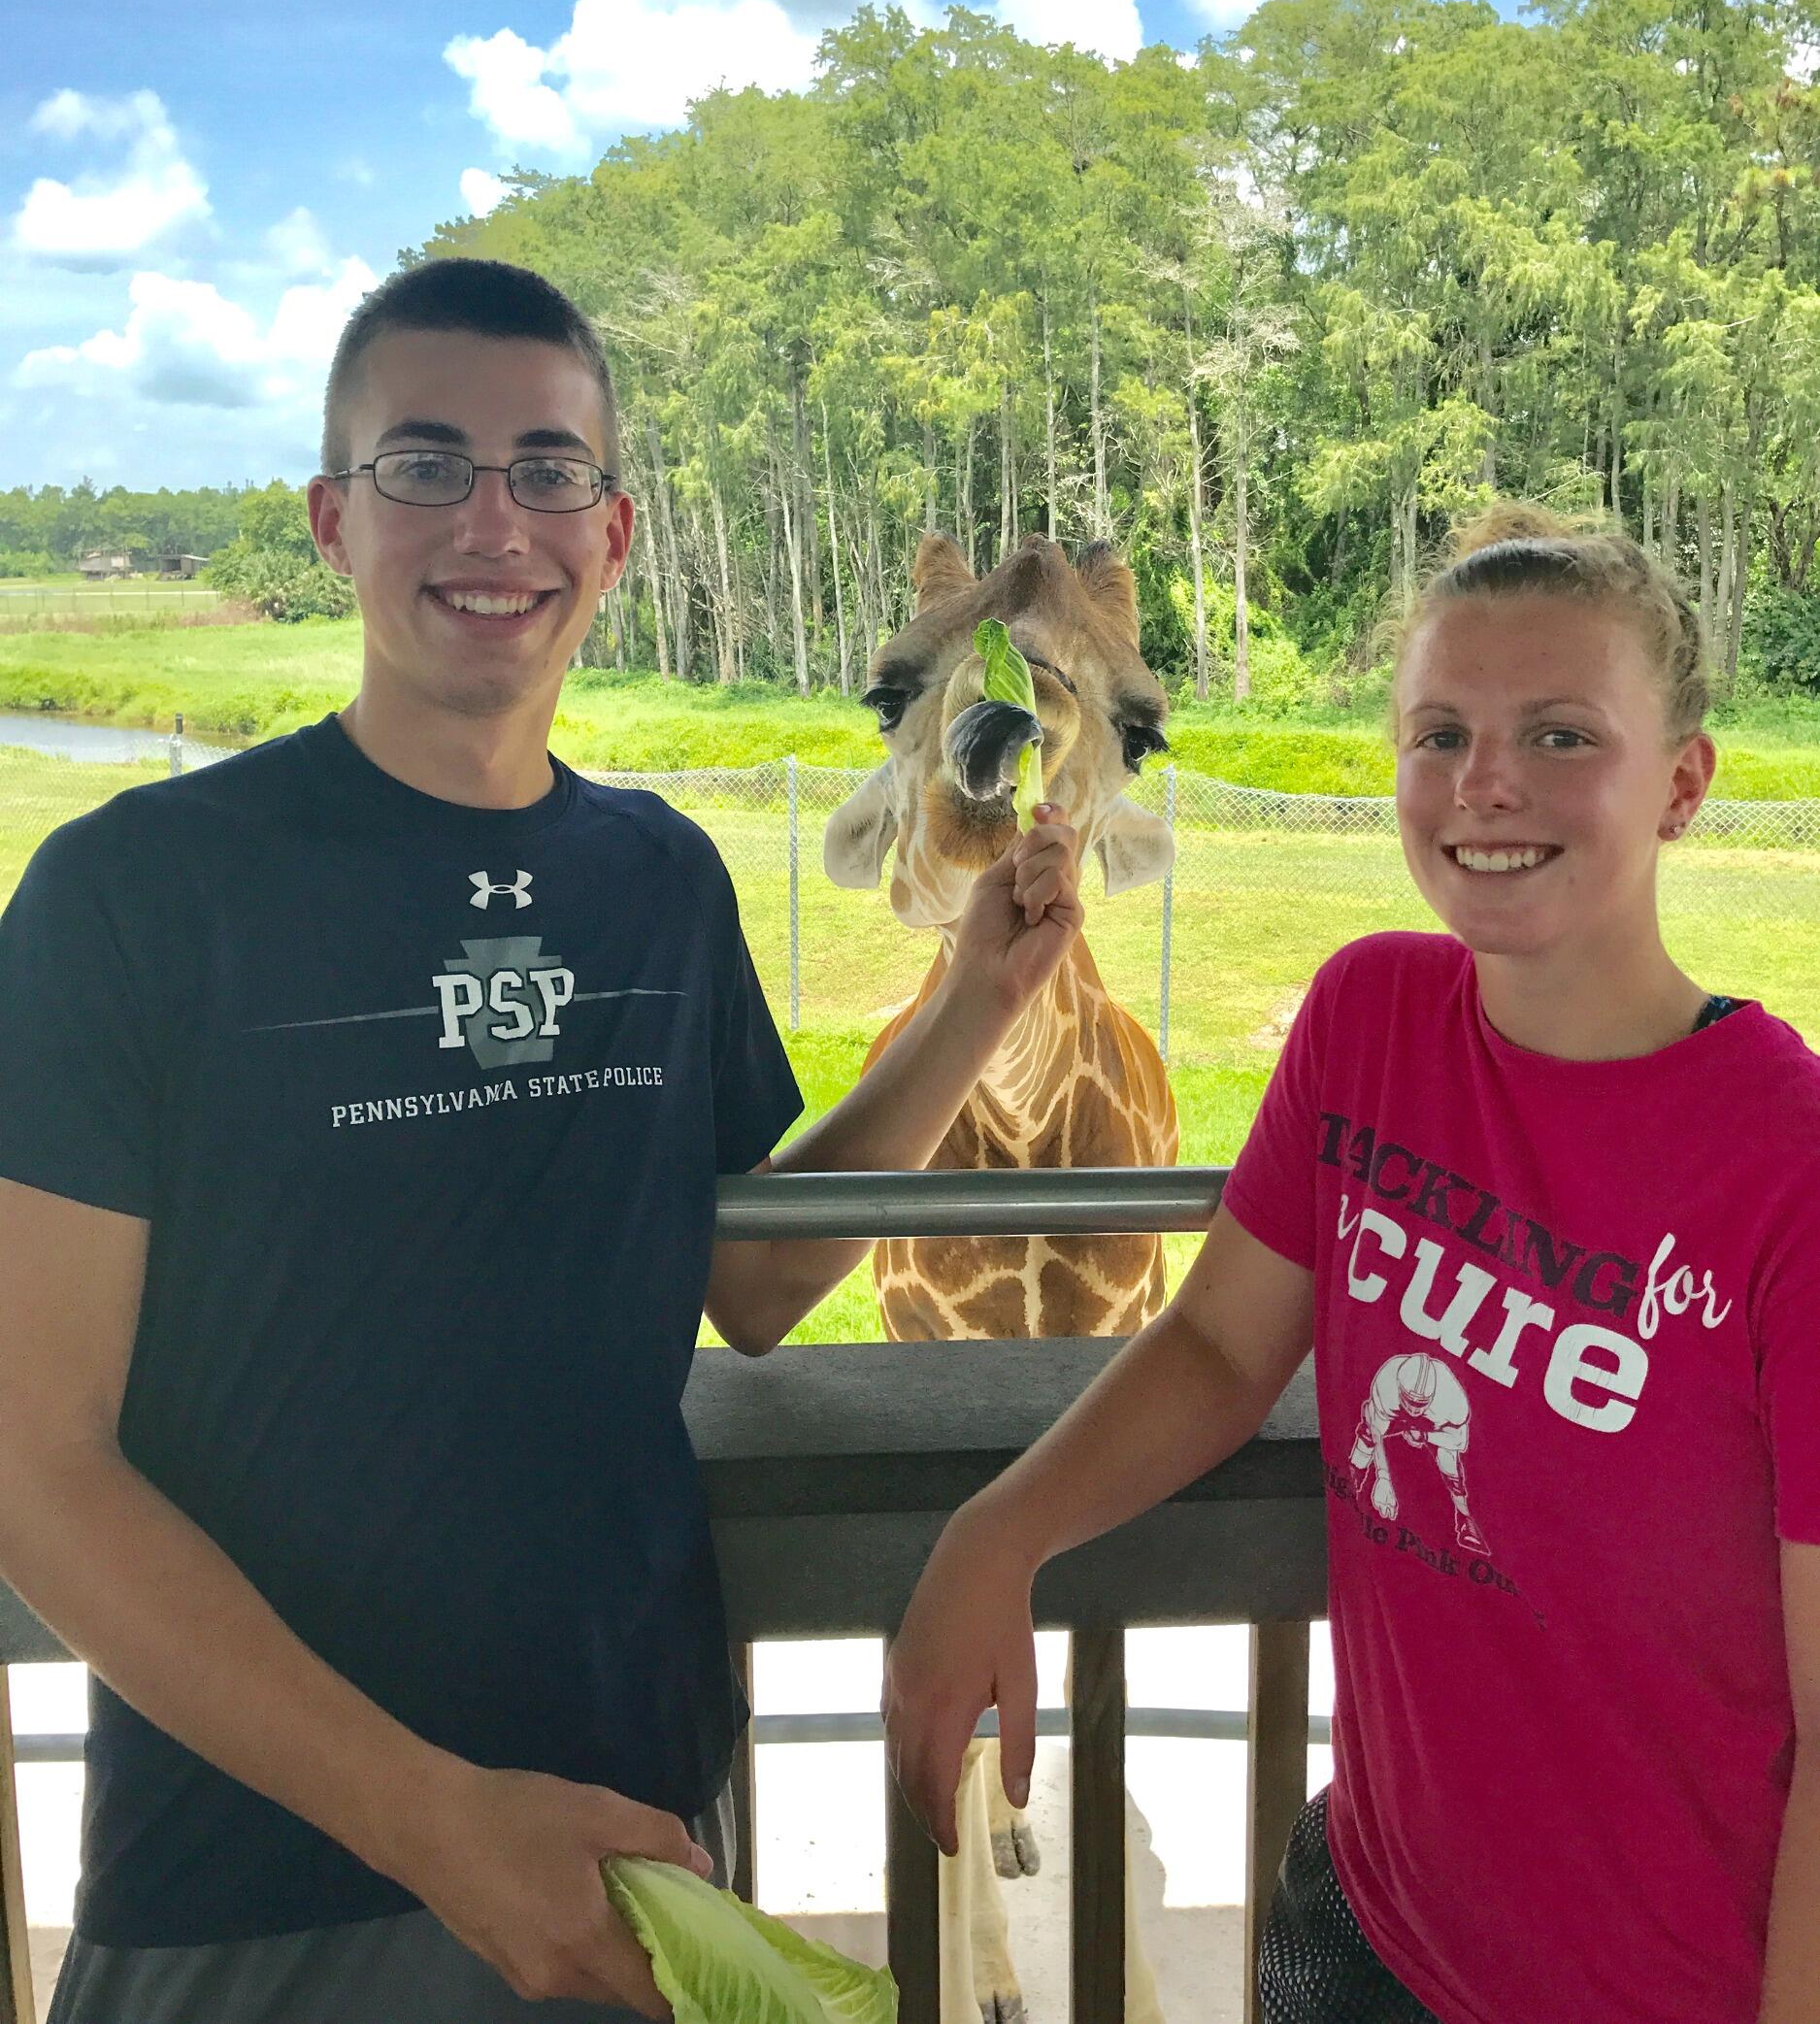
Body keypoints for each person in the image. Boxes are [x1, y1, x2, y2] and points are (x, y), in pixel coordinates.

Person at [0, 256, 1086, 2024]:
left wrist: (975, 1003)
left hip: (631, 1828)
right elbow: (32, 1460)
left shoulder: (655, 877)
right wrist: (433, 1823)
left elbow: (756, 1277)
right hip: (255, 1880)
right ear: (331, 521)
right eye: (426, 465)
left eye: (548, 471)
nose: (493, 521)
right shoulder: (131, 895)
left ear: (617, 531)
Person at [885, 504, 1820, 2024]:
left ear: (1686, 786)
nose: (1485, 785)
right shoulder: (1370, 1023)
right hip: (1362, 1931)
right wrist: (995, 1538)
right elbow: (1217, 1348)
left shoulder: (1786, 1170)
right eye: (1438, 732)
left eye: (1563, 735)